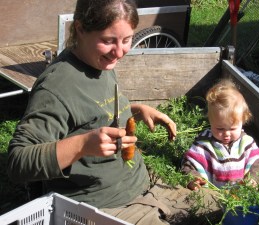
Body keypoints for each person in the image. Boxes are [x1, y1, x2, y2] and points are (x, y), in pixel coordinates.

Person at [5, 1, 198, 224]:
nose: (119, 52)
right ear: (80, 29)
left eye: (126, 40)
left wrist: (134, 111)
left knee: (225, 209)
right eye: (108, 41)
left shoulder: (99, 62)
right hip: (105, 206)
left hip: (145, 186)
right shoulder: (56, 87)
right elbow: (18, 161)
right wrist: (82, 145)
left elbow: (92, 113)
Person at [181, 78, 259, 190]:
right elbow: (189, 165)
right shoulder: (204, 143)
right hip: (212, 197)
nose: (226, 134)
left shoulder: (246, 143)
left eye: (233, 128)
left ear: (243, 121)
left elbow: (256, 163)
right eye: (219, 128)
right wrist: (194, 179)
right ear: (210, 122)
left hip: (241, 196)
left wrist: (253, 178)